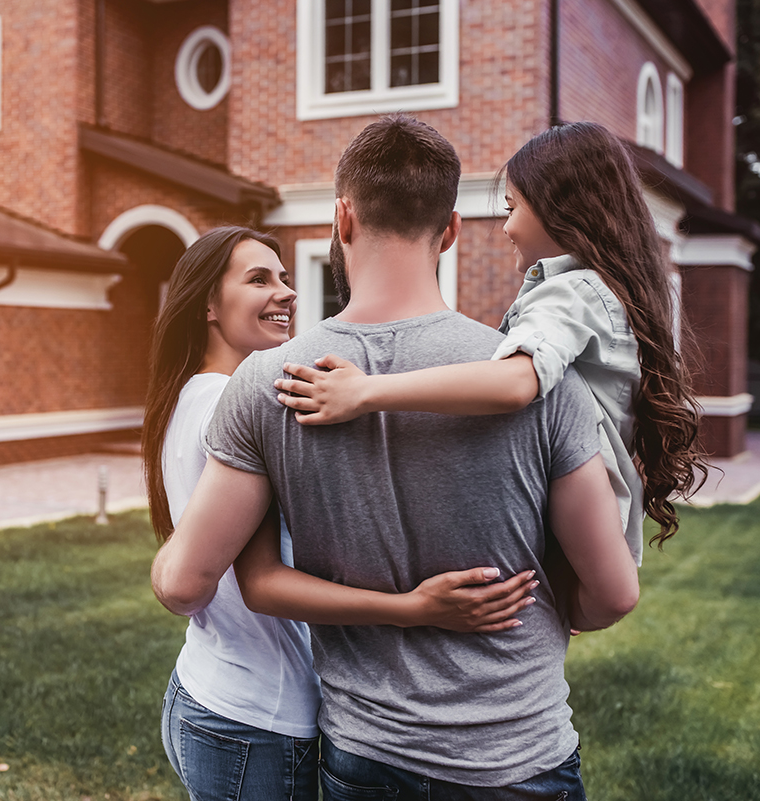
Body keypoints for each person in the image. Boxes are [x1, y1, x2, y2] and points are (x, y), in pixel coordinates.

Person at [151, 115, 640, 798]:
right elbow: (613, 592)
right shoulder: (542, 381)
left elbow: (197, 580)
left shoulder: (270, 383)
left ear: (343, 219)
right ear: (449, 231)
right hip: (516, 750)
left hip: (366, 752)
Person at [144, 225, 538, 801]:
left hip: (206, 691)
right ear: (207, 302)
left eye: (283, 277)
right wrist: (411, 609)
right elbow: (227, 584)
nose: (286, 292)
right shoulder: (234, 406)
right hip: (259, 719)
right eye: (259, 279)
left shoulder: (192, 394)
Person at [272, 121, 706, 566]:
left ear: (562, 211)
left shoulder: (575, 292)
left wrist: (365, 393)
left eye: (512, 207)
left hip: (574, 523)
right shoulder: (600, 292)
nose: (506, 227)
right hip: (589, 530)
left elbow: (515, 383)